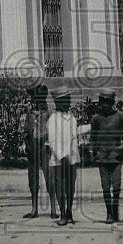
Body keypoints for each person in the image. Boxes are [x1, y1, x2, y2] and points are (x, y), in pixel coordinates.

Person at [88, 88, 123, 225]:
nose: (105, 105)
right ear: (100, 103)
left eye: (108, 102)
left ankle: (115, 209)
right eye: (103, 102)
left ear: (112, 102)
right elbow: (93, 138)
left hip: (116, 156)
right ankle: (109, 213)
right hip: (102, 158)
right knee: (105, 187)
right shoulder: (96, 119)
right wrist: (92, 152)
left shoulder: (120, 116)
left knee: (116, 186)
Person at [23, 84, 56, 220]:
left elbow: (53, 130)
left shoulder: (49, 113)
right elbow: (26, 131)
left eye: (35, 98)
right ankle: (34, 208)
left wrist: (48, 142)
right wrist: (27, 143)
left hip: (45, 149)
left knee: (50, 178)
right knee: (33, 179)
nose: (33, 101)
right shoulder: (30, 114)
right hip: (33, 150)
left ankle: (54, 208)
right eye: (33, 98)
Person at [46, 87, 79, 226]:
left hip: (71, 159)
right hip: (59, 161)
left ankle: (70, 210)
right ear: (57, 102)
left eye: (69, 99)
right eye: (65, 100)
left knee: (71, 187)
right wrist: (61, 156)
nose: (68, 102)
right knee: (60, 187)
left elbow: (74, 136)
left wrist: (73, 155)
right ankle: (63, 213)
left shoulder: (71, 117)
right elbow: (52, 141)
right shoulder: (53, 119)